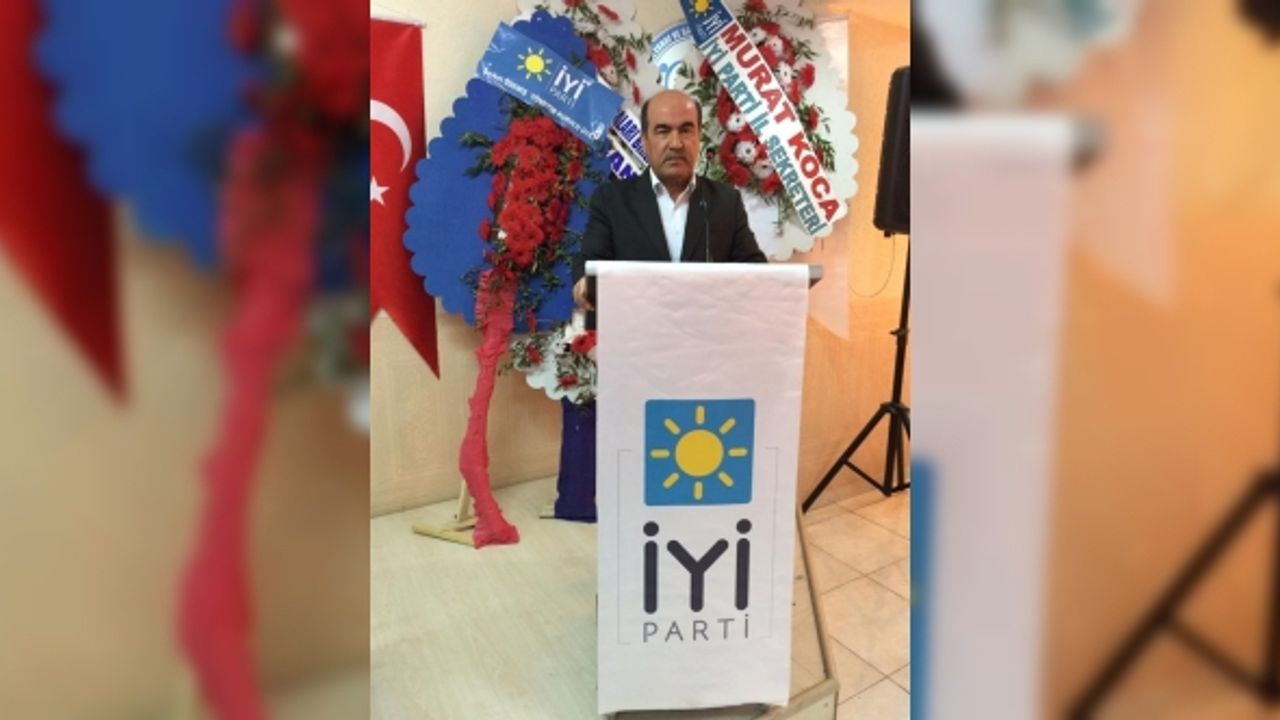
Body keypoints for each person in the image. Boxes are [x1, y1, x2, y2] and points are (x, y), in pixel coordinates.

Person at [571, 89, 766, 310]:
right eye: (663, 131)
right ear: (644, 140)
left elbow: (754, 270)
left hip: (708, 327)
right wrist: (584, 283)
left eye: (686, 130)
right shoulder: (612, 200)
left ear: (699, 137)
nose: (676, 143)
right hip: (637, 326)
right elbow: (589, 264)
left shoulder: (725, 201)